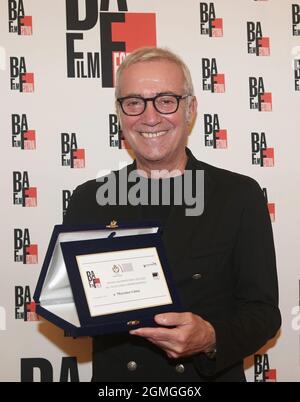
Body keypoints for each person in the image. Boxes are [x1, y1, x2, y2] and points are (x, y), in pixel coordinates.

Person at [63, 47, 281, 382]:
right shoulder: (88, 200)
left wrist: (210, 337)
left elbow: (264, 313)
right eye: (134, 102)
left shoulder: (238, 195)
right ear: (119, 114)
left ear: (190, 109)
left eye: (166, 100)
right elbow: (69, 303)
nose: (150, 117)